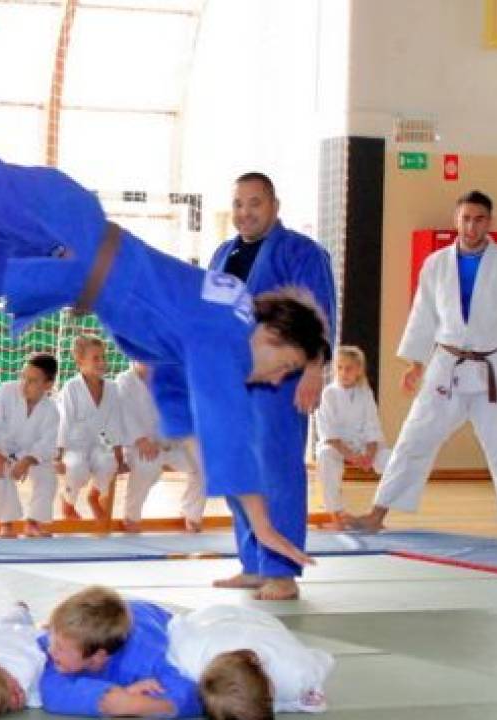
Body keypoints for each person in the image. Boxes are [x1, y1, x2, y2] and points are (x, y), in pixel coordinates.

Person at [0, 0, 329, 568]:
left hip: (58, 258)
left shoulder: (222, 319)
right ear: (274, 334)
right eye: (287, 365)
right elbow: (227, 432)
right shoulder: (223, 334)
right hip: (61, 231)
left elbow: (190, 411)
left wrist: (189, 439)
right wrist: (264, 525)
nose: (278, 378)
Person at [353, 190, 497, 541]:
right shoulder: (436, 263)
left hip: (494, 372)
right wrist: (415, 363)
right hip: (446, 369)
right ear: (456, 220)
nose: (471, 226)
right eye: (466, 218)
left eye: (479, 219)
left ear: (490, 222)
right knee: (413, 439)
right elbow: (422, 315)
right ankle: (377, 513)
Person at [208, 172, 337, 601]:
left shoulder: (301, 252)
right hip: (233, 376)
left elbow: (319, 314)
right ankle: (253, 563)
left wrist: (315, 370)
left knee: (278, 469)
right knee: (238, 468)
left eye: (255, 202)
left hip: (282, 379)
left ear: (275, 206)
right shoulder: (223, 254)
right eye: (238, 204)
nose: (245, 212)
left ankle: (281, 571)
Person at [37, 585, 200, 718]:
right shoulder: (62, 643)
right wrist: (119, 694)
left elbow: (193, 695)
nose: (51, 650)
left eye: (59, 647)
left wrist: (139, 705)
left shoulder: (145, 659)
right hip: (116, 620)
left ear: (98, 657)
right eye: (52, 637)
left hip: (150, 621)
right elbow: (52, 691)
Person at [167, 603, 334, 715]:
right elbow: (175, 624)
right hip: (210, 617)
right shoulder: (189, 659)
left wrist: (298, 698)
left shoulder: (296, 673)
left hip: (260, 621)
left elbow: (325, 660)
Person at [0, 352, 62, 538]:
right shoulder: (6, 391)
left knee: (48, 475)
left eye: (32, 381)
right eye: (23, 377)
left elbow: (47, 444)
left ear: (48, 385)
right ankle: (7, 523)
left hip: (29, 455)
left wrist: (27, 460)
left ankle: (34, 522)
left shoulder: (51, 410)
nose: (24, 384)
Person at [117, 361, 206, 533]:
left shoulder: (168, 378)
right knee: (146, 467)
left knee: (204, 464)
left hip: (172, 443)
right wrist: (140, 439)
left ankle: (191, 512)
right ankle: (131, 515)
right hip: (139, 446)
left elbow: (181, 410)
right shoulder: (124, 382)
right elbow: (125, 416)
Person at [314, 346, 390, 528]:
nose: (343, 373)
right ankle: (336, 513)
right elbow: (329, 433)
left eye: (349, 368)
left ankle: (378, 513)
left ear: (359, 370)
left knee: (391, 460)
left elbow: (372, 425)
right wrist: (351, 456)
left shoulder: (365, 393)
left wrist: (370, 454)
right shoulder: (328, 394)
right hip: (337, 446)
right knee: (325, 455)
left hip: (363, 445)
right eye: (339, 368)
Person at [56, 335, 125, 521]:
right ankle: (68, 503)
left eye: (103, 357)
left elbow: (114, 422)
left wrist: (118, 452)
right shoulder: (71, 387)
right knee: (76, 467)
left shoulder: (112, 388)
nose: (102, 362)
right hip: (74, 443)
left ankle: (93, 497)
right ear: (80, 361)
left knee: (109, 463)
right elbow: (64, 422)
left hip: (101, 440)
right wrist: (58, 455)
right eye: (96, 358)